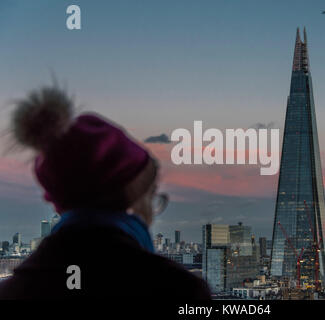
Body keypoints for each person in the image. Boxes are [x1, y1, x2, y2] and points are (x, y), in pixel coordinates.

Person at [0, 86, 211, 299]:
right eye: (151, 197)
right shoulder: (177, 289)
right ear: (131, 203)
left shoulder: (15, 290)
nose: (151, 214)